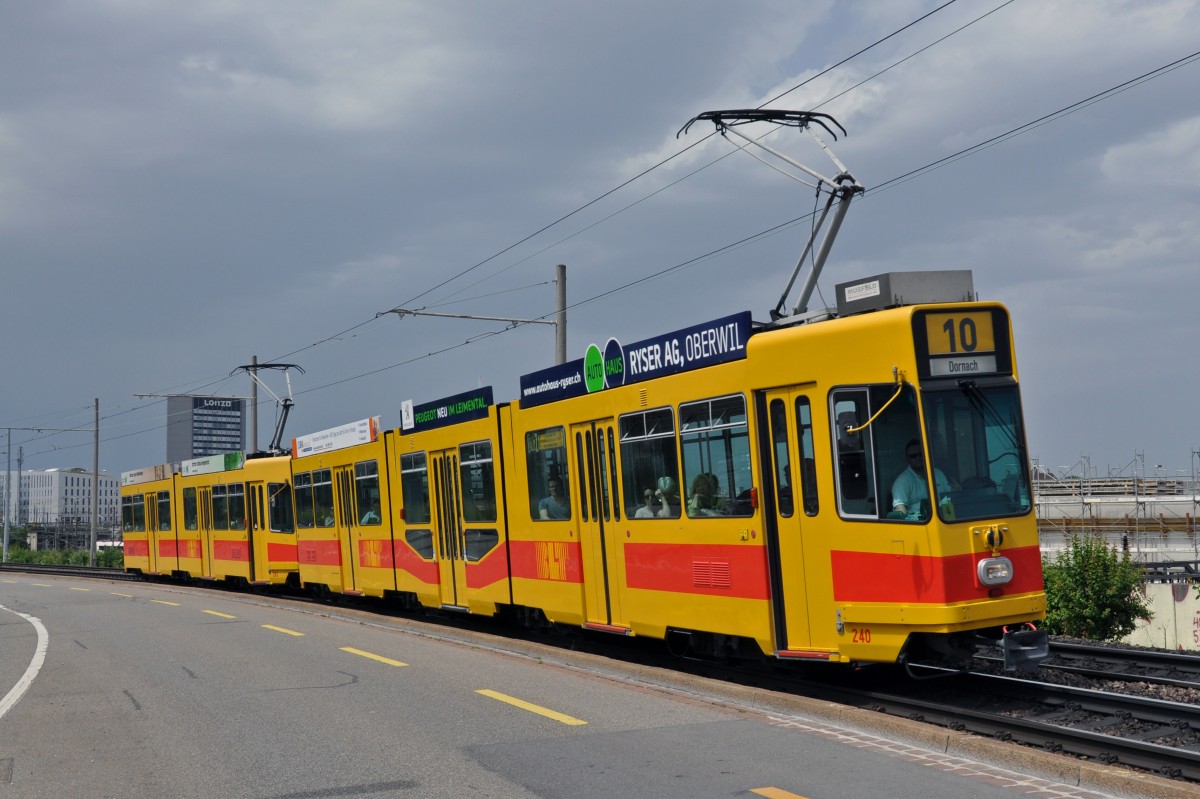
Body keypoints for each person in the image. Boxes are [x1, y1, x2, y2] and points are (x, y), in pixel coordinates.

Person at [892, 439, 952, 518]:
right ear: (907, 458)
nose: (918, 458)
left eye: (921, 454)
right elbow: (900, 508)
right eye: (913, 456)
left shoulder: (938, 473)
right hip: (920, 525)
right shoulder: (902, 481)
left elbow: (949, 498)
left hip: (945, 520)